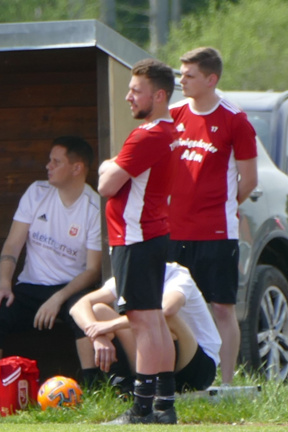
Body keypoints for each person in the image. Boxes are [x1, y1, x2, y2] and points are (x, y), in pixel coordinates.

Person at [0, 136, 102, 383]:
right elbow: (13, 243)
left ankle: (94, 389)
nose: (48, 166)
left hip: (70, 289)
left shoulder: (94, 207)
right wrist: (4, 285)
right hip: (30, 287)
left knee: (83, 313)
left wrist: (58, 298)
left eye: (56, 161)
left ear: (77, 168)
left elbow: (93, 270)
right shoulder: (37, 192)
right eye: (49, 160)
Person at [169, 47, 258, 385]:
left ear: (211, 79)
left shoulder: (234, 119)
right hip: (174, 231)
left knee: (221, 307)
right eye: (181, 74)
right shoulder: (174, 114)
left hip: (217, 233)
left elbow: (249, 179)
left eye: (189, 75)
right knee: (174, 306)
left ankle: (227, 382)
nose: (182, 81)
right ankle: (183, 379)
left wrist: (220, 205)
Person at [97, 58, 178, 424]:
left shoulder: (149, 134)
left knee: (144, 322)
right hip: (150, 234)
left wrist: (108, 165)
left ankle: (143, 408)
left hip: (136, 235)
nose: (129, 97)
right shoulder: (166, 131)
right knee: (155, 321)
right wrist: (114, 165)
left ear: (158, 96)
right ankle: (164, 405)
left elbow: (105, 185)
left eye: (136, 91)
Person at [70, 262, 221, 393]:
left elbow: (167, 310)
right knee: (97, 311)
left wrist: (108, 326)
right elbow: (78, 307)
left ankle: (157, 385)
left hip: (199, 364)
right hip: (155, 354)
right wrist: (96, 336)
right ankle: (100, 385)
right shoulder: (128, 274)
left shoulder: (177, 275)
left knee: (165, 316)